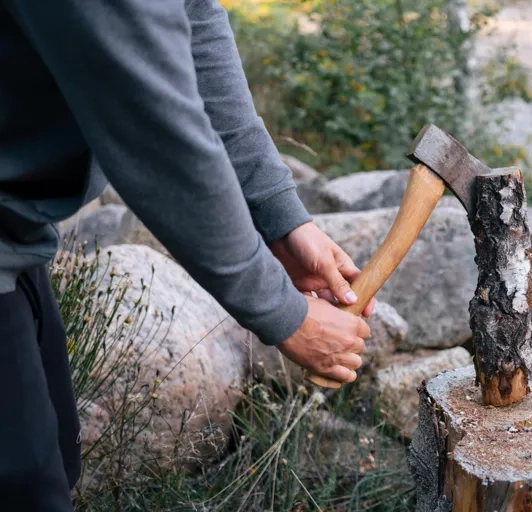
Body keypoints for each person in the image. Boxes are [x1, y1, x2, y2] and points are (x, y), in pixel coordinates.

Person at [0, 0, 376, 509]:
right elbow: (158, 133)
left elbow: (193, 21)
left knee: (55, 460)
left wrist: (282, 218)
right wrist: (284, 315)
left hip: (16, 235)